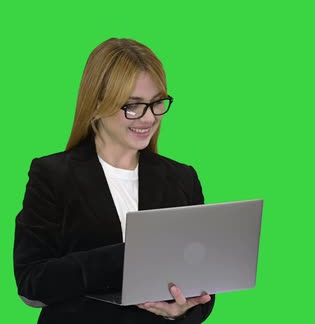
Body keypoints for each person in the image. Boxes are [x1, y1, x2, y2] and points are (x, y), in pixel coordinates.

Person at [13, 38, 215, 323]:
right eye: (133, 106)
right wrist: (127, 258)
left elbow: (202, 282)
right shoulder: (52, 175)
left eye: (157, 103)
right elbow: (31, 284)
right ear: (97, 104)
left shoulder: (182, 178)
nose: (148, 118)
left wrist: (184, 311)